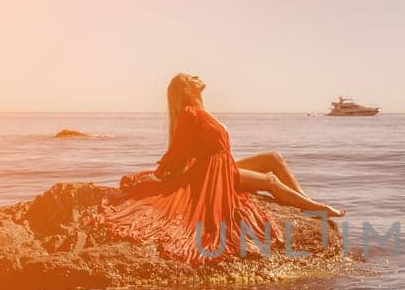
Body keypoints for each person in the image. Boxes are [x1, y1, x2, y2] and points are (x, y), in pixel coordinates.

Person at [98, 73, 343, 262]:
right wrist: (159, 177)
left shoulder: (203, 111)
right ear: (184, 88)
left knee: (274, 157)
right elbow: (178, 154)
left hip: (222, 163)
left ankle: (303, 200)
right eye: (190, 77)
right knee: (269, 181)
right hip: (211, 173)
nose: (197, 77)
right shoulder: (190, 114)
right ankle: (316, 208)